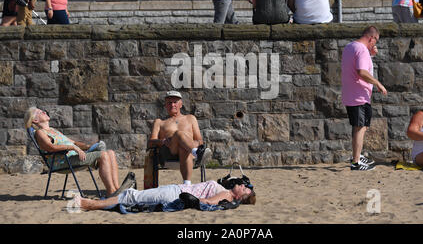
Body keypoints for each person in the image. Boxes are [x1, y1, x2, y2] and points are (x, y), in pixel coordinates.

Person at [24, 107, 125, 197]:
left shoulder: (53, 130)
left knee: (110, 152)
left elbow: (73, 142)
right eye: (41, 112)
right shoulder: (40, 133)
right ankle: (111, 191)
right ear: (35, 120)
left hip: (74, 157)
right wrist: (73, 148)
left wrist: (87, 146)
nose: (44, 112)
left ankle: (116, 188)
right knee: (103, 155)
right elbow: (51, 148)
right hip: (63, 162)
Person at [341, 26, 388, 171]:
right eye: (376, 41)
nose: (376, 44)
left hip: (353, 94)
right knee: (360, 127)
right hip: (359, 95)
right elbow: (361, 71)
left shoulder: (350, 46)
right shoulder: (361, 49)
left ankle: (357, 155)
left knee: (362, 125)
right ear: (371, 38)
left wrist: (370, 54)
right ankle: (356, 162)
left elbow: (356, 64)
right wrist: (378, 83)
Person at [149, 91, 212, 185]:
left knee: (184, 148)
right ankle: (196, 152)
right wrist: (162, 141)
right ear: (165, 105)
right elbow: (151, 142)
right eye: (169, 103)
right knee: (178, 134)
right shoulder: (160, 122)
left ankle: (187, 184)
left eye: (175, 102)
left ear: (181, 104)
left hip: (186, 151)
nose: (172, 105)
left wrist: (192, 144)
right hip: (169, 151)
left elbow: (199, 140)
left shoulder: (190, 118)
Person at [75, 180, 256, 211]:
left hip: (175, 194)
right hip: (175, 191)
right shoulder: (226, 190)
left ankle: (89, 204)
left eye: (244, 188)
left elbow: (207, 202)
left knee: (131, 196)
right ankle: (92, 203)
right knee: (133, 195)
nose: (241, 185)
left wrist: (189, 197)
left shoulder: (226, 195)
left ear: (240, 197)